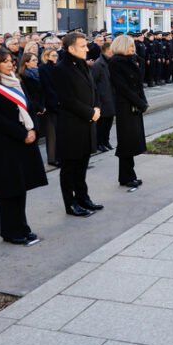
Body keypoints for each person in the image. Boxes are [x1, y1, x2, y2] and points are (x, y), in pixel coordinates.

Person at [0, 48, 46, 245]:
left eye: (11, 61)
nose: (10, 64)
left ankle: (22, 226)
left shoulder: (16, 83)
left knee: (21, 188)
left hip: (25, 143)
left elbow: (29, 107)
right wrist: (22, 134)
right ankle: (10, 231)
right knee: (9, 190)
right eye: (5, 61)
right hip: (6, 146)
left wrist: (33, 130)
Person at [52, 31, 103, 217]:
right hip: (71, 126)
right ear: (71, 48)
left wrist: (97, 107)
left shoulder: (83, 65)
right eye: (83, 46)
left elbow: (93, 89)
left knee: (82, 164)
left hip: (87, 123)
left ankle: (83, 197)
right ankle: (70, 203)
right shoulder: (61, 69)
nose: (87, 49)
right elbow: (67, 100)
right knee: (70, 168)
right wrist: (91, 113)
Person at [108, 35, 147, 188]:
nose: (133, 49)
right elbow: (122, 87)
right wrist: (140, 103)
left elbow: (138, 83)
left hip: (134, 104)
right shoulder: (116, 62)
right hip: (125, 106)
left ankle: (128, 175)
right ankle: (126, 176)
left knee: (131, 141)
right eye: (130, 46)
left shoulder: (131, 60)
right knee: (126, 142)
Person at [91, 42, 116, 151]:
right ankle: (99, 143)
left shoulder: (111, 62)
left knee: (109, 122)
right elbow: (93, 83)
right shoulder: (98, 64)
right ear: (107, 50)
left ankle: (106, 141)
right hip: (102, 99)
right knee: (101, 123)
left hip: (111, 97)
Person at [38, 49, 60, 166]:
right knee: (52, 134)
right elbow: (46, 87)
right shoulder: (43, 68)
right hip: (50, 104)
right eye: (53, 55)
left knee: (58, 132)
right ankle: (52, 158)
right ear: (46, 56)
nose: (55, 57)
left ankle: (58, 156)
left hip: (58, 103)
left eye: (56, 55)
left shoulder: (57, 67)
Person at [18, 53, 45, 130]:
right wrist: (38, 107)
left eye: (36, 59)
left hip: (43, 107)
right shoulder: (23, 76)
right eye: (33, 60)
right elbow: (28, 94)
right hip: (34, 108)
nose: (36, 61)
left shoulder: (40, 72)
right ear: (26, 63)